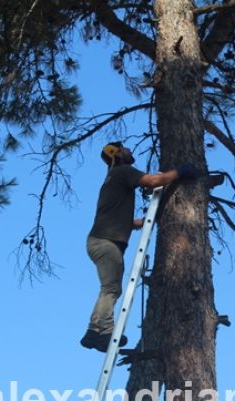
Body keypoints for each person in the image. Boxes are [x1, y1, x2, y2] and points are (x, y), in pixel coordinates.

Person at [81, 142, 197, 352]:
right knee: (111, 289)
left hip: (99, 241)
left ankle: (93, 333)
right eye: (124, 148)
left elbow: (124, 222)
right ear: (117, 154)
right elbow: (153, 181)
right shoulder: (122, 172)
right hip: (106, 242)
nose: (129, 150)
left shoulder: (113, 179)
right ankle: (104, 332)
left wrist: (147, 221)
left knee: (108, 289)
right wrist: (180, 172)